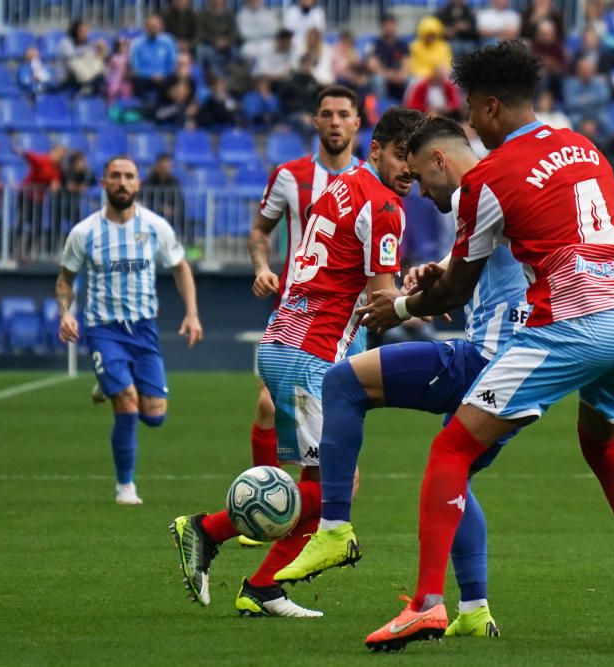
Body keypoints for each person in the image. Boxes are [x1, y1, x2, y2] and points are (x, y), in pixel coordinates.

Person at [320, 41, 614, 650]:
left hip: (570, 323)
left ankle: (426, 604)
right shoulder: (586, 148)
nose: (471, 118)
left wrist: (402, 308)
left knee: (451, 450)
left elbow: (458, 288)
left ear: (491, 106)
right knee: (605, 451)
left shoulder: (489, 176)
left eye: (471, 105)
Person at [276, 115, 531, 639]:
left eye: (419, 176)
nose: (419, 191)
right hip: (523, 366)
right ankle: (476, 609)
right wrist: (437, 265)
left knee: (344, 382)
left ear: (439, 159)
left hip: (486, 359)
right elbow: (485, 253)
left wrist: (404, 304)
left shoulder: (474, 191)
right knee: (452, 477)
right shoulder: (505, 186)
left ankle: (333, 528)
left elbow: (457, 285)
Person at [169, 105, 420, 618]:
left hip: (284, 342)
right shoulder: (386, 206)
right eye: (400, 157)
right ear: (376, 150)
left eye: (415, 161)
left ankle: (262, 587)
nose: (408, 171)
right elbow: (381, 305)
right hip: (312, 355)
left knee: (322, 486)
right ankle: (210, 532)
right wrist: (421, 295)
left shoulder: (342, 183)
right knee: (335, 491)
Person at [241, 85, 363, 543]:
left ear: (356, 123)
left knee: (335, 427)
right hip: (294, 311)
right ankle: (268, 509)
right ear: (315, 122)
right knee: (268, 405)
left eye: (343, 114)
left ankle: (314, 516)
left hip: (348, 324)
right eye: (326, 114)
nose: (334, 121)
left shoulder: (370, 181)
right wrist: (261, 267)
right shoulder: (290, 177)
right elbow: (260, 230)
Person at [56, 156, 203, 505]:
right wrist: (65, 313)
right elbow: (65, 279)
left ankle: (107, 381)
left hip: (143, 330)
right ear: (104, 183)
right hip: (103, 328)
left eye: (129, 177)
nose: (122, 182)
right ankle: (126, 487)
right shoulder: (84, 232)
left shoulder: (156, 227)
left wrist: (192, 313)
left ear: (138, 184)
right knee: (127, 404)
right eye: (115, 176)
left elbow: (181, 267)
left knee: (154, 416)